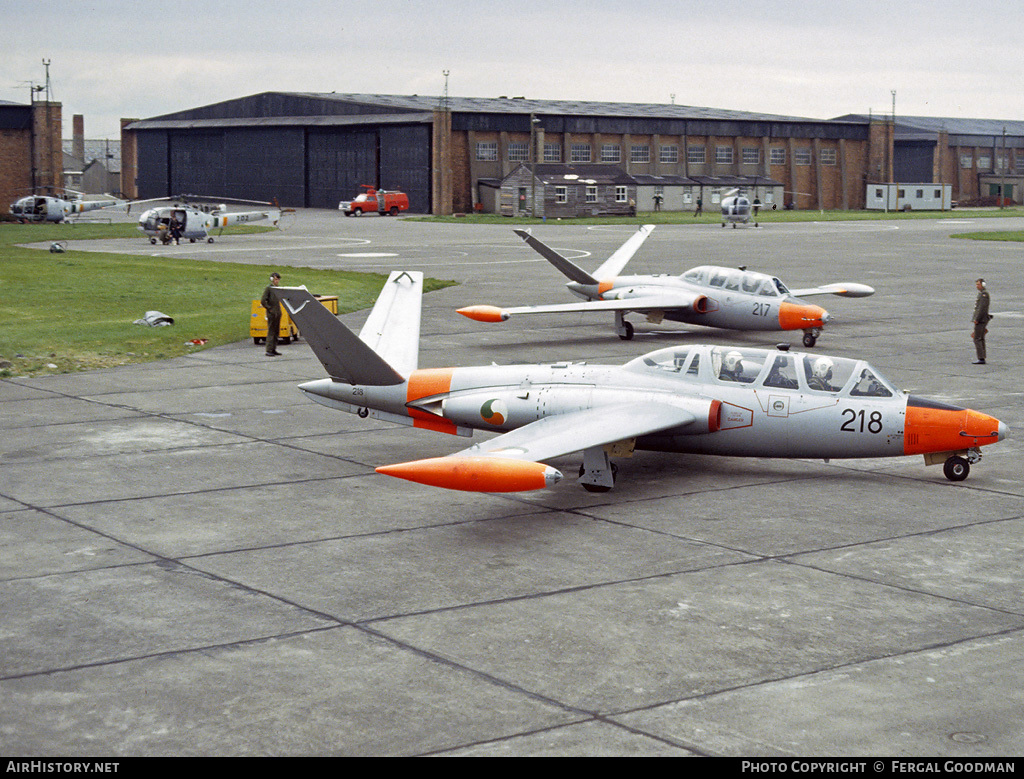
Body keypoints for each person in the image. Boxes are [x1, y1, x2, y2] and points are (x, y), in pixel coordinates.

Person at [261, 272, 283, 356]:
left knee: (276, 331)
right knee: (271, 331)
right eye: (275, 279)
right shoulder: (269, 288)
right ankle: (269, 349)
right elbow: (263, 301)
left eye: (278, 279)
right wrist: (269, 308)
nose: (277, 281)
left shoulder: (277, 288)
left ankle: (274, 349)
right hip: (272, 312)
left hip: (277, 312)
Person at [972, 278, 991, 364]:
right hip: (982, 319)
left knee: (977, 338)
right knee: (981, 338)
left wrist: (977, 319)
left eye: (978, 284)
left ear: (983, 285)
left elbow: (981, 309)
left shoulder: (984, 295)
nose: (977, 286)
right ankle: (982, 356)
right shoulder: (982, 294)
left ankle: (981, 358)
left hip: (981, 320)